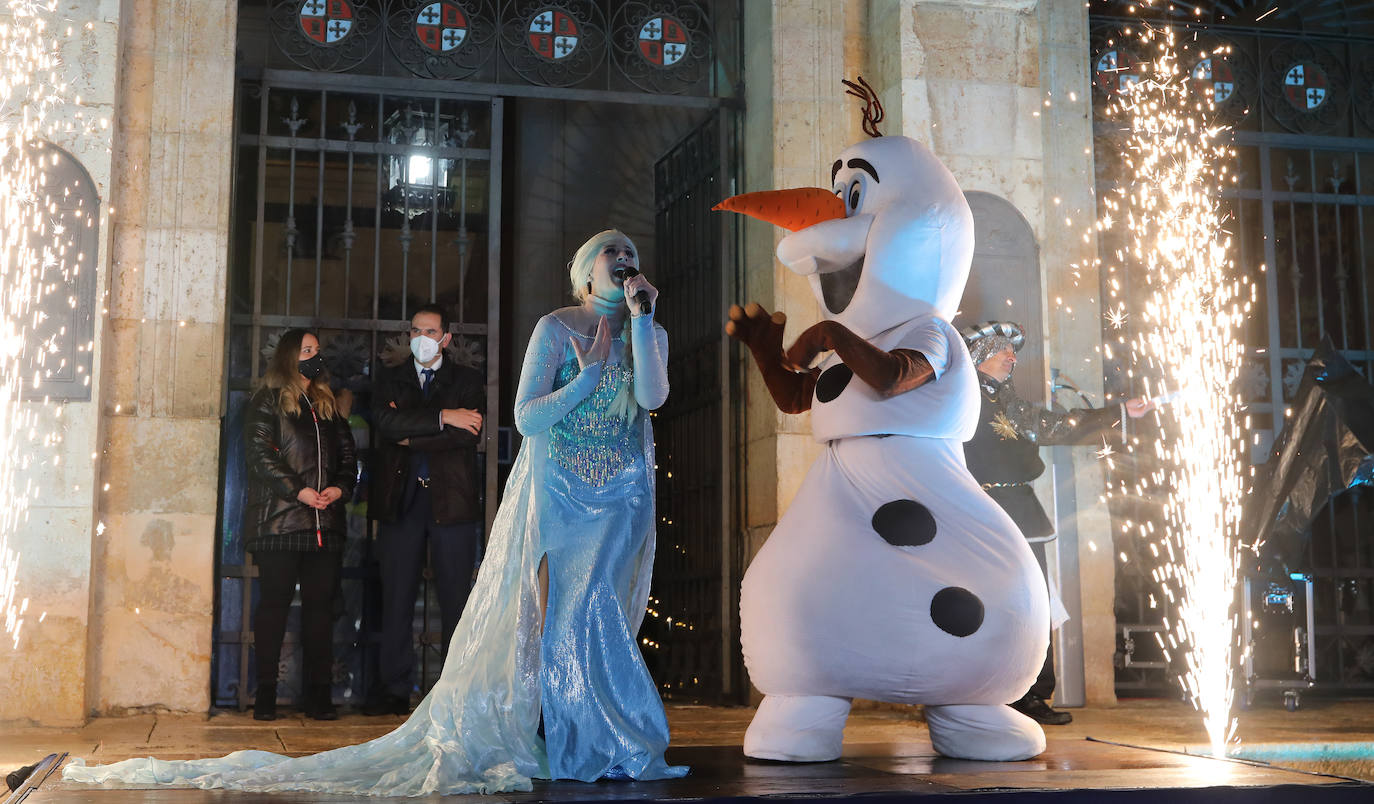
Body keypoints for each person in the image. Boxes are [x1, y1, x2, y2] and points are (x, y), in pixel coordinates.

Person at [63, 229, 686, 794]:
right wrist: (581, 380)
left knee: (603, 609)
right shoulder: (555, 328)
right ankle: (579, 741)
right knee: (565, 615)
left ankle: (608, 739)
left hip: (618, 492)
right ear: (585, 269)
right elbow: (521, 418)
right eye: (613, 252)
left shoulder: (646, 329)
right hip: (561, 495)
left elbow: (651, 396)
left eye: (632, 252)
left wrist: (640, 322)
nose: (625, 259)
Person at [961, 321, 1151, 726]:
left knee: (1035, 605)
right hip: (978, 512)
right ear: (978, 356)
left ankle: (1031, 694)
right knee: (984, 604)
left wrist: (1117, 412)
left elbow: (1055, 426)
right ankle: (977, 693)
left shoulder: (1010, 403)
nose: (1012, 358)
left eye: (1012, 352)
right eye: (1002, 351)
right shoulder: (956, 399)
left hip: (1022, 512)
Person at [364, 303, 485, 716]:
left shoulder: (467, 380)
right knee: (397, 597)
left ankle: (453, 688)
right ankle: (395, 687)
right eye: (416, 330)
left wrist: (411, 432)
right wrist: (443, 417)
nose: (422, 338)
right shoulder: (389, 379)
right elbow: (385, 426)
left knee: (455, 598)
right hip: (402, 502)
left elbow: (466, 437)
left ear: (446, 338)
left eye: (431, 331)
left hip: (452, 503)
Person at [242, 329, 357, 722]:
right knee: (273, 606)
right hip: (280, 522)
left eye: (317, 351)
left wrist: (339, 489)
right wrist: (301, 491)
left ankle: (319, 695)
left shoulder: (326, 405)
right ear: (290, 357)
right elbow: (258, 454)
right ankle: (266, 695)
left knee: (320, 610)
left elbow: (347, 457)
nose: (315, 357)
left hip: (325, 522)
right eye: (307, 351)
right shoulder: (269, 400)